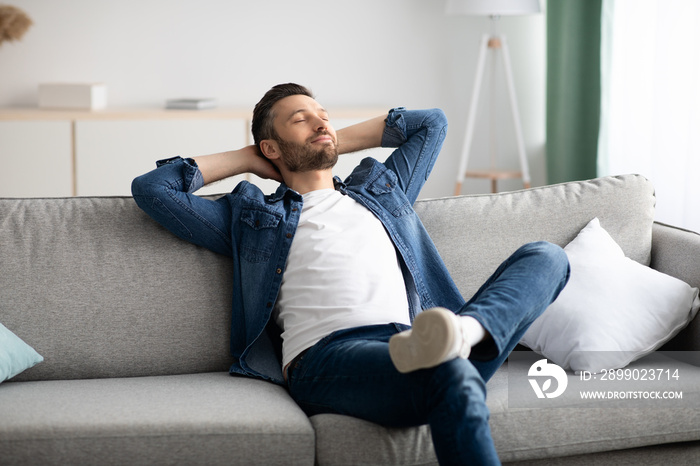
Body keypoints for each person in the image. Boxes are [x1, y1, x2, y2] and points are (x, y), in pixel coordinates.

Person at [132, 83, 570, 465]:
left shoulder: (380, 190)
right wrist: (248, 158)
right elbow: (152, 190)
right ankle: (451, 345)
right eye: (300, 121)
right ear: (272, 148)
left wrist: (326, 138)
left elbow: (431, 123)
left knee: (547, 256)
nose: (321, 124)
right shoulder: (254, 215)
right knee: (450, 374)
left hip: (424, 337)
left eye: (324, 117)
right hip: (329, 356)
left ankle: (466, 332)